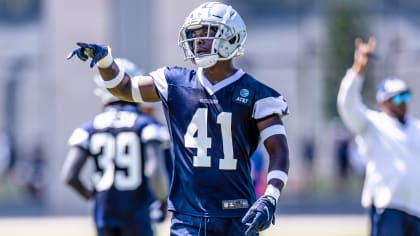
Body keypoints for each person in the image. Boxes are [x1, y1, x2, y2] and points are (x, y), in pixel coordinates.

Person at [67, 2, 290, 235]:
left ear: (232, 38)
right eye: (195, 34)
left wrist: (270, 197)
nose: (199, 40)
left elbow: (278, 151)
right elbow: (123, 88)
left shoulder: (257, 94)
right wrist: (105, 62)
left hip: (236, 215)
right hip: (187, 218)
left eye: (208, 32)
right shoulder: (173, 81)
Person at [61, 58, 170, 236]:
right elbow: (154, 171)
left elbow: (69, 176)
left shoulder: (89, 127)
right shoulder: (147, 125)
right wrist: (163, 200)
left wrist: (94, 197)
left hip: (104, 215)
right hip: (137, 215)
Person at [337, 37, 420, 236]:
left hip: (416, 208)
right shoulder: (372, 123)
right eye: (397, 98)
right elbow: (348, 106)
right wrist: (357, 71)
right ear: (383, 101)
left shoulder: (416, 127)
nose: (403, 102)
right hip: (388, 206)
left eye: (405, 96)